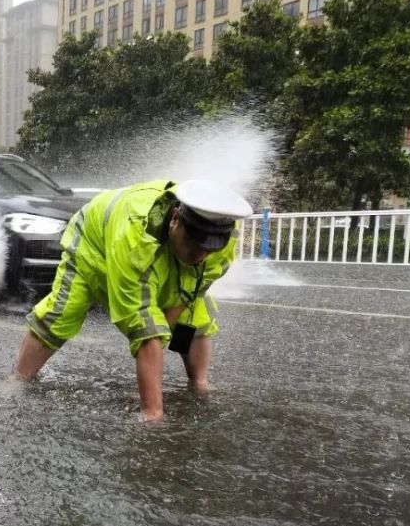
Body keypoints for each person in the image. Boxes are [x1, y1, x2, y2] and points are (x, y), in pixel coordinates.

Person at [13, 179, 252, 421]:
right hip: (95, 242)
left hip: (156, 248)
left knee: (195, 316)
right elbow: (144, 328)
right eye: (193, 243)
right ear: (175, 219)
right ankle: (17, 380)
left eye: (209, 248)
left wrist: (164, 334)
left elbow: (190, 294)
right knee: (64, 312)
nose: (200, 254)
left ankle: (199, 383)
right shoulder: (135, 240)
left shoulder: (220, 245)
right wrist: (153, 413)